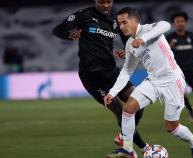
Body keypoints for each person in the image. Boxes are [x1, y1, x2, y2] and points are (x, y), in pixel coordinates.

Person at [52, 0, 148, 156]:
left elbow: (127, 40)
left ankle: (124, 137)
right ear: (95, 1)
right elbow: (58, 30)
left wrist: (126, 51)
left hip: (112, 72)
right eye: (102, 2)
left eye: (108, 2)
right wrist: (69, 35)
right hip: (91, 76)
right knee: (120, 111)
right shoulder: (83, 15)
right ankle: (140, 149)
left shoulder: (116, 19)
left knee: (139, 102)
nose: (105, 5)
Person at [104, 7, 193, 158]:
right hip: (153, 81)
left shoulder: (150, 29)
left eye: (125, 22)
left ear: (135, 21)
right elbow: (127, 71)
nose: (122, 26)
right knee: (128, 109)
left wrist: (143, 39)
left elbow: (166, 25)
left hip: (172, 80)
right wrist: (112, 92)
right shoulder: (130, 44)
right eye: (119, 23)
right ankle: (128, 149)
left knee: (172, 128)